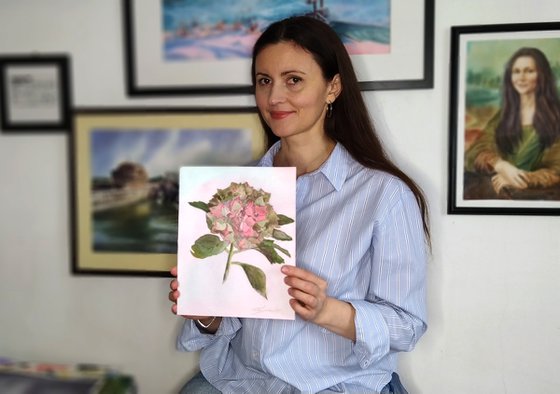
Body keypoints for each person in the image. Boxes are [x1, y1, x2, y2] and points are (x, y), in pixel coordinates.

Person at [169, 15, 430, 394]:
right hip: (242, 381)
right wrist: (207, 314)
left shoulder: (384, 196)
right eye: (264, 81)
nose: (274, 97)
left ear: (333, 87)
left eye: (294, 80)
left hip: (340, 385)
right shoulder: (233, 193)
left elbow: (407, 326)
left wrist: (329, 311)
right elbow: (233, 317)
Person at [465, 47, 560, 198]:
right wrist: (501, 165)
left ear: (542, 76)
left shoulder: (556, 116)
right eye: (516, 71)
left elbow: (555, 171)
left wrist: (519, 178)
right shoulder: (504, 115)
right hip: (498, 188)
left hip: (536, 196)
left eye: (529, 71)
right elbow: (476, 151)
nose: (521, 77)